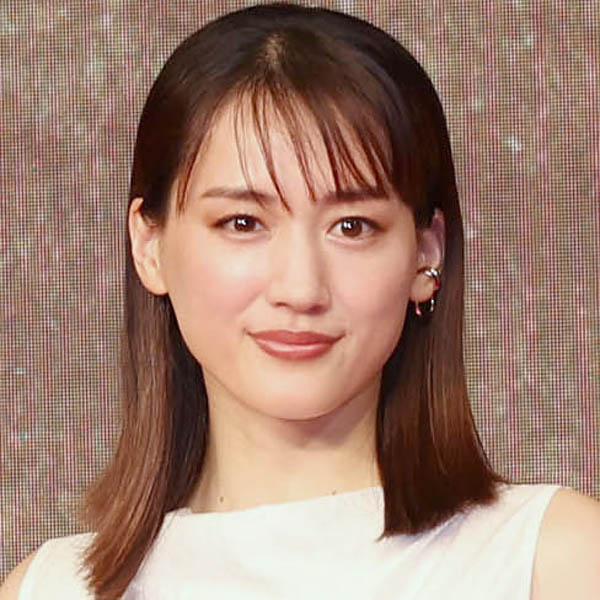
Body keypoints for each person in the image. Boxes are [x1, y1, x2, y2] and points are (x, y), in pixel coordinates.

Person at [2, 3, 599, 599]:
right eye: (242, 222)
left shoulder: (553, 560)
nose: (300, 289)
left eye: (352, 227)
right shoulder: (53, 589)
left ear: (426, 254)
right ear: (149, 246)